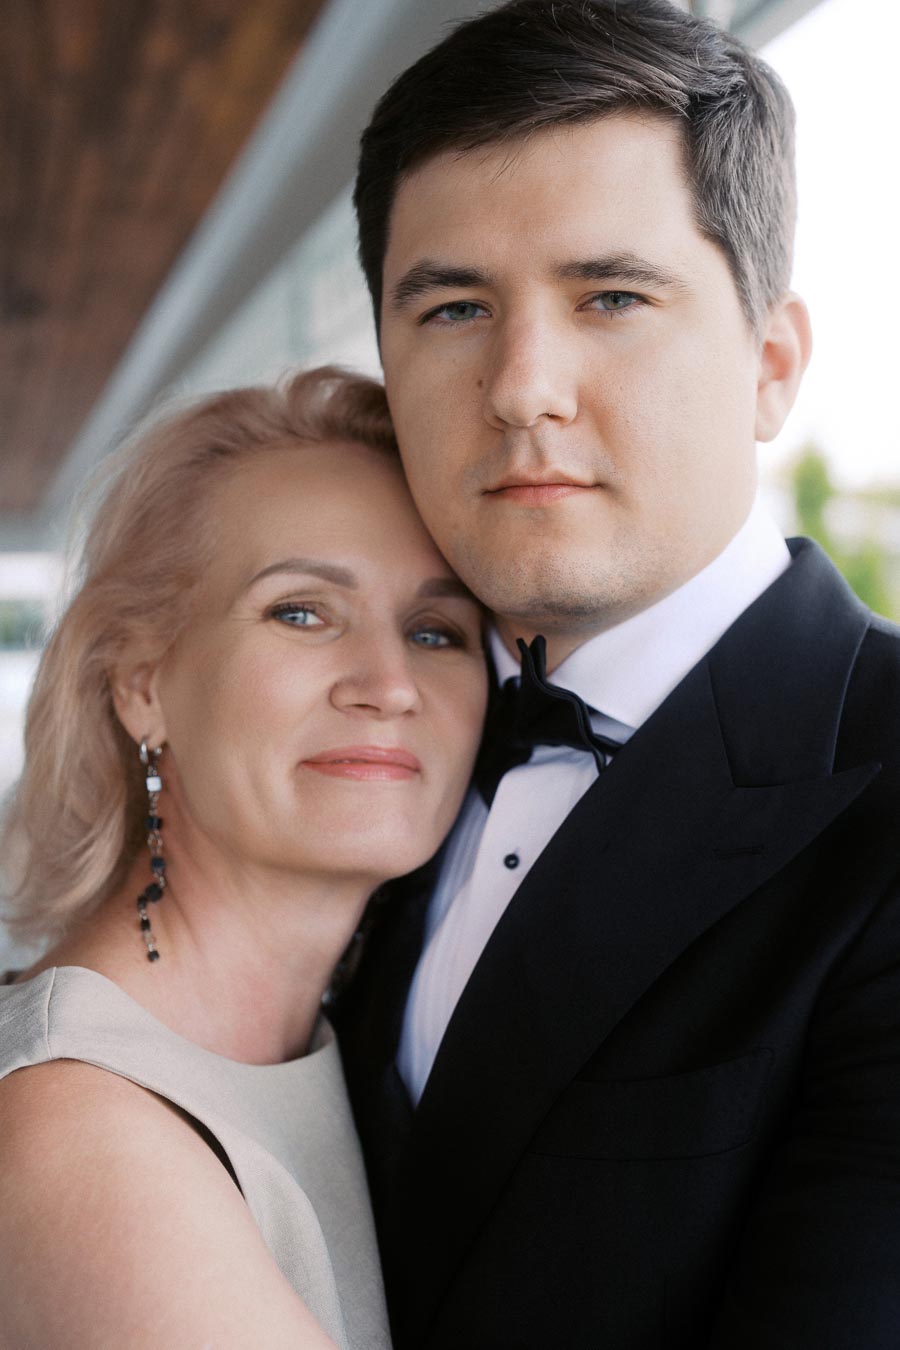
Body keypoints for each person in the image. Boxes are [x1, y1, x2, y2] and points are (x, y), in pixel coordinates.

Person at [335, 2, 900, 1346]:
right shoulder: (350, 740)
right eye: (457, 306)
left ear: (771, 365)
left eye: (612, 298)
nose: (525, 386)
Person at [0, 366, 487, 1349]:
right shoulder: (87, 1133)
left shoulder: (330, 1048)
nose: (389, 685)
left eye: (436, 630)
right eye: (302, 611)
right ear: (142, 681)